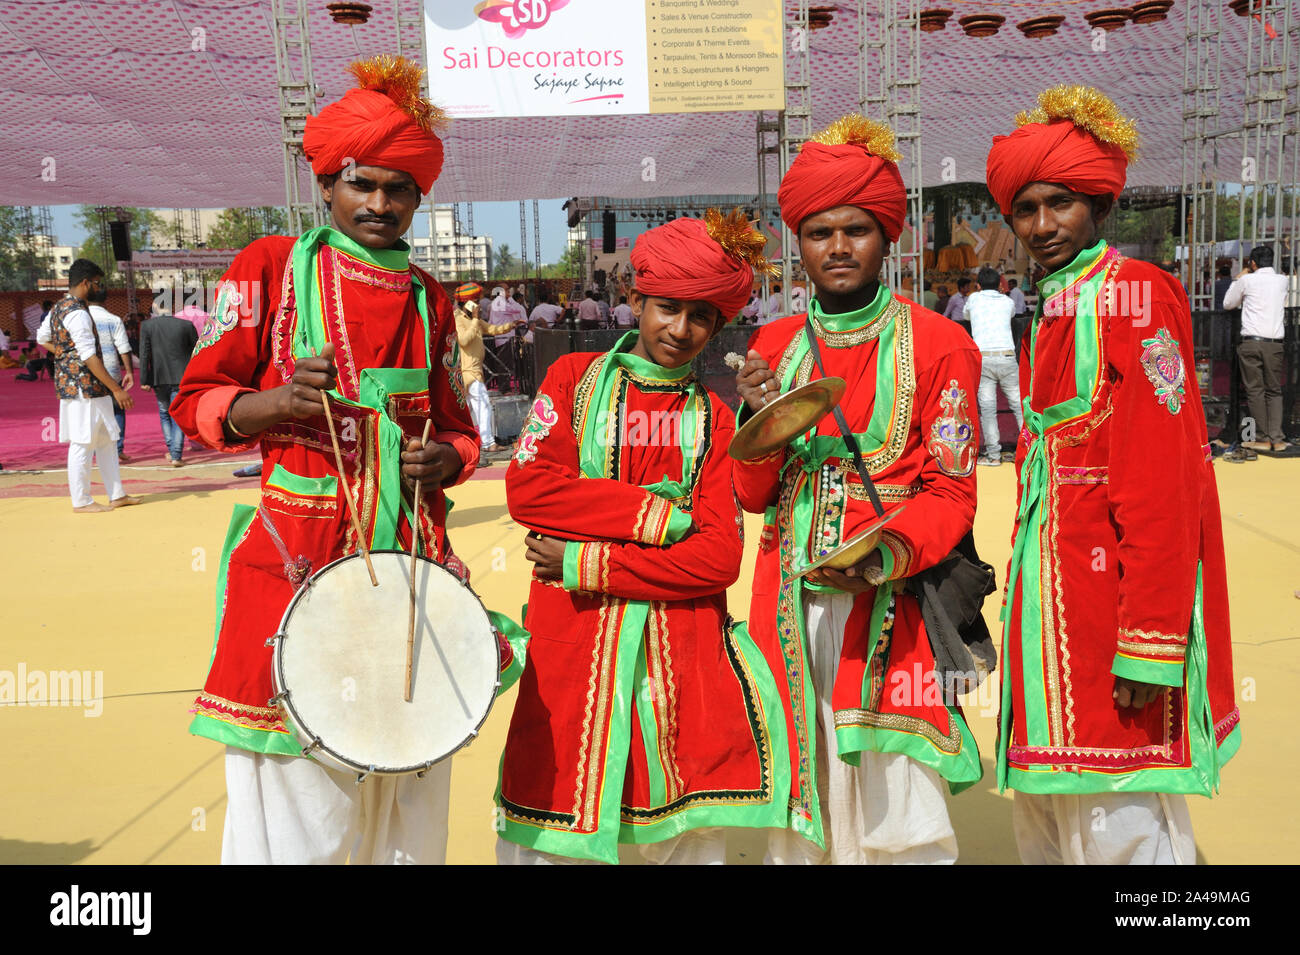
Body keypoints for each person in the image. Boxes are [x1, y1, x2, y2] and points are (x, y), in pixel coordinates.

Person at [170, 55, 483, 865]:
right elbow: (197, 399)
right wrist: (273, 405)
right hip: (292, 570)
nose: (380, 203)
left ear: (420, 197)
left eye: (399, 188)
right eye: (362, 184)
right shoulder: (271, 267)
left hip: (414, 572)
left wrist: (445, 461)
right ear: (329, 186)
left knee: (407, 788)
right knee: (297, 810)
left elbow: (460, 428)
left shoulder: (432, 299)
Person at [986, 84, 1240, 864]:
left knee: (1120, 826)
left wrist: (1151, 642)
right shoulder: (1057, 307)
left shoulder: (1136, 297)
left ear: (1096, 203)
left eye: (1058, 204)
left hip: (1109, 625)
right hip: (1051, 624)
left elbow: (1163, 482)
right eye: (1024, 210)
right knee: (1049, 814)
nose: (1040, 226)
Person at [496, 210, 790, 865]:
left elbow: (719, 558)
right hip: (572, 651)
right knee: (553, 829)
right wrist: (664, 516)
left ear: (718, 325)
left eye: (702, 317)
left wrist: (584, 559)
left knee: (681, 838)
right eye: (667, 308)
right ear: (635, 299)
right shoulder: (572, 380)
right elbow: (529, 491)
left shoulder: (713, 419)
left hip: (679, 661)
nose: (681, 330)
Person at [735, 116, 984, 864]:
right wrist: (755, 419)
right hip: (786, 605)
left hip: (892, 605)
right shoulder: (772, 345)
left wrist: (883, 557)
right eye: (818, 232)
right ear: (798, 244)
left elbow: (952, 487)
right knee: (797, 792)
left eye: (856, 229)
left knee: (895, 803)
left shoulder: (942, 343)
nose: (837, 248)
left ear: (887, 236)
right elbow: (752, 495)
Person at [36, 260, 140, 512]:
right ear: (85, 283)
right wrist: (116, 389)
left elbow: (42, 338)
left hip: (89, 386)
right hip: (84, 388)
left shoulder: (59, 307)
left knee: (106, 440)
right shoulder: (78, 313)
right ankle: (81, 501)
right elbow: (88, 356)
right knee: (83, 443)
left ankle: (117, 494)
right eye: (97, 283)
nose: (99, 287)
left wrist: (64, 353)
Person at [1224, 246, 1290, 454]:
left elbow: (1228, 304)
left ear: (1252, 263)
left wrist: (1239, 277)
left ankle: (1262, 437)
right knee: (1274, 390)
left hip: (1251, 342)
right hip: (1275, 343)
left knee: (1255, 390)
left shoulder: (1247, 280)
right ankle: (1277, 438)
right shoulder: (1282, 281)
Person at [455, 282, 520, 463]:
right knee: (482, 407)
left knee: (471, 409)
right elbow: (464, 340)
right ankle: (487, 443)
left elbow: (492, 329)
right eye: (475, 301)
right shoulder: (459, 319)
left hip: (474, 372)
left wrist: (512, 325)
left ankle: (474, 443)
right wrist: (475, 319)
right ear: (467, 303)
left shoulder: (470, 319)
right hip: (469, 372)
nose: (479, 306)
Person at [964, 266, 1023, 466]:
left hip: (983, 358)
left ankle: (993, 456)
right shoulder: (1008, 301)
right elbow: (1013, 315)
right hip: (1006, 356)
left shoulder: (973, 299)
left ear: (978, 285)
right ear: (1000, 284)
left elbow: (966, 316)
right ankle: (1029, 451)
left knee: (988, 409)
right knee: (1018, 405)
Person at [139, 310, 199, 466]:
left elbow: (144, 354)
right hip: (181, 376)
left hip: (159, 377)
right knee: (177, 414)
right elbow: (197, 351)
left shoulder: (148, 325)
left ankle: (173, 449)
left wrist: (144, 379)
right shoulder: (186, 325)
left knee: (165, 413)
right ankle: (176, 454)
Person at [87, 288, 135, 460]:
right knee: (118, 411)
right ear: (105, 301)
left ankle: (93, 449)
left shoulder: (82, 318)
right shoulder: (113, 319)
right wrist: (129, 371)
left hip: (89, 373)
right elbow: (123, 346)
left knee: (91, 412)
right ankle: (118, 448)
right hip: (111, 370)